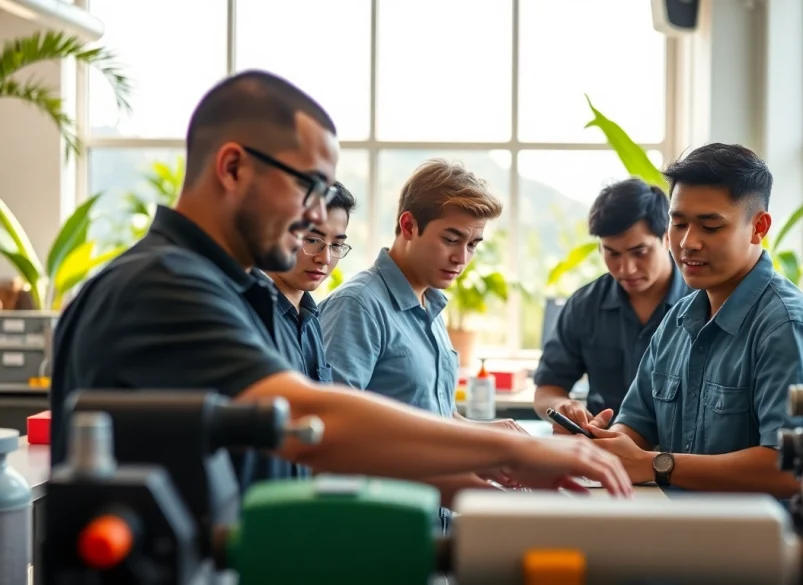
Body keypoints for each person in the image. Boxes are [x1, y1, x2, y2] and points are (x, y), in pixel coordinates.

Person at [48, 69, 633, 500]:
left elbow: (308, 450)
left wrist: (483, 473)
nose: (313, 219)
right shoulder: (163, 285)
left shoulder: (252, 298)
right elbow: (310, 424)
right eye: (308, 187)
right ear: (232, 167)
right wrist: (510, 447)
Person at [585, 143, 803, 498]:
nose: (689, 243)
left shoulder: (786, 328)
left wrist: (656, 464)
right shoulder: (678, 318)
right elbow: (638, 422)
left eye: (710, 226)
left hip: (756, 546)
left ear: (759, 227)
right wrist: (601, 444)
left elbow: (792, 467)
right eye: (678, 224)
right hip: (680, 531)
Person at [317, 159, 527, 515]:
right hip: (380, 526)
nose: (462, 258)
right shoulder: (359, 306)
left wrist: (486, 435)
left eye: (473, 244)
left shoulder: (428, 304)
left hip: (428, 522)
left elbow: (426, 413)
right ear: (409, 225)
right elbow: (336, 437)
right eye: (451, 239)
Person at [532, 178, 692, 432]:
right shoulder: (584, 306)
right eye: (612, 253)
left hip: (681, 458)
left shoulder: (705, 300)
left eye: (640, 252)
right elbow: (546, 390)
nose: (626, 268)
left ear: (666, 238)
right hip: (602, 453)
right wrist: (563, 406)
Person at [264, 182, 356, 383]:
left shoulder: (311, 317)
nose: (325, 258)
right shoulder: (254, 314)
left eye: (337, 245)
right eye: (312, 240)